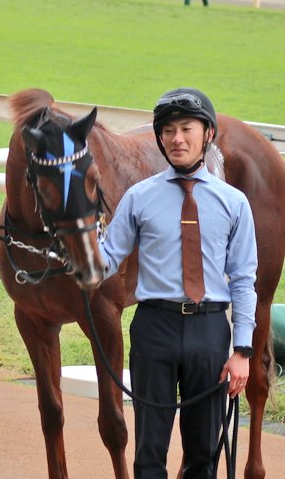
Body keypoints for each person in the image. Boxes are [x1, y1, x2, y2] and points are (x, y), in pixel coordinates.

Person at [98, 88, 256, 478]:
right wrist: (70, 244)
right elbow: (104, 261)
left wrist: (242, 350)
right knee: (149, 452)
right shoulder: (138, 198)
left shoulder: (234, 203)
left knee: (203, 454)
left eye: (187, 129)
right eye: (168, 131)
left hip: (209, 329)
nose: (177, 139)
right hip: (155, 328)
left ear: (208, 134)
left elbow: (243, 279)